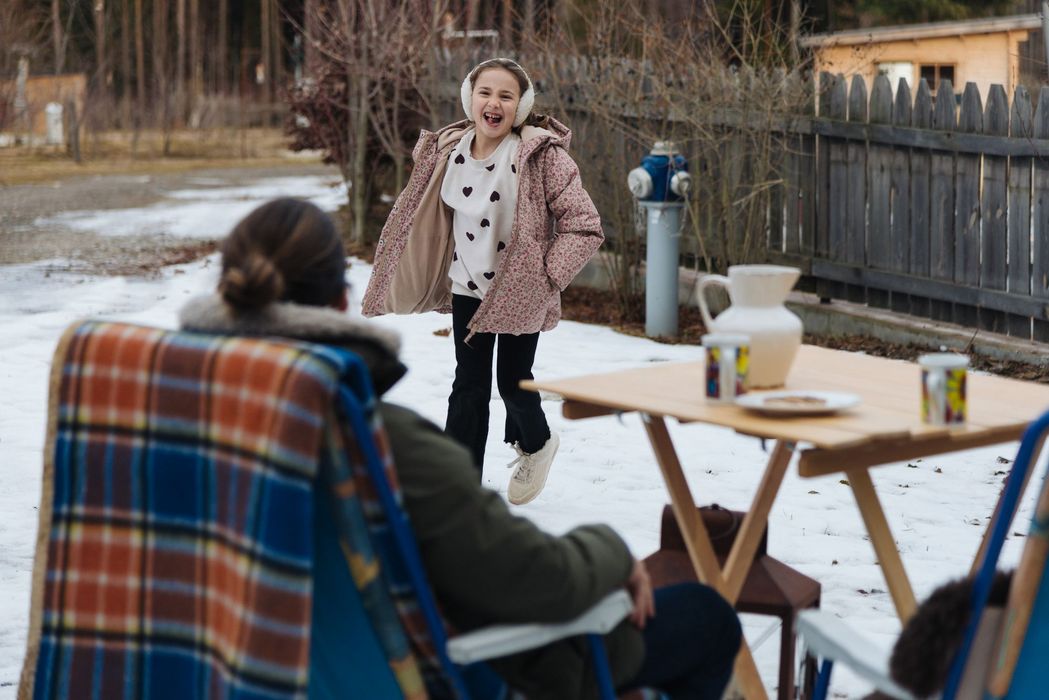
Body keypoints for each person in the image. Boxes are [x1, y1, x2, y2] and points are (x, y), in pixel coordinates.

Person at [180, 197, 742, 699]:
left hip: (259, 666)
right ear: (341, 300)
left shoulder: (186, 427)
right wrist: (611, 550)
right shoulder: (375, 442)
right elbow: (541, 581)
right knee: (707, 616)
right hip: (457, 666)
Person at [361, 57, 604, 505]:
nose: (494, 102)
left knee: (513, 384)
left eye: (506, 96)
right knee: (468, 386)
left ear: (521, 107)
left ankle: (537, 444)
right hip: (467, 288)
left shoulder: (540, 157)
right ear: (470, 99)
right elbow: (421, 214)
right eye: (485, 92)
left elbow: (584, 225)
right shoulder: (447, 151)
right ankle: (458, 489)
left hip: (519, 290)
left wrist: (547, 274)